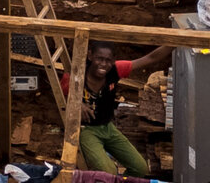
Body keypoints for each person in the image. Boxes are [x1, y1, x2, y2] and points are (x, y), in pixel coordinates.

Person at [62, 39, 171, 175]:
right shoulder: (77, 74)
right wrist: (78, 104)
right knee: (109, 171)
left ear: (114, 60)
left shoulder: (115, 70)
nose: (103, 64)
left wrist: (175, 42)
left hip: (108, 128)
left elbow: (150, 57)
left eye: (108, 60)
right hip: (86, 131)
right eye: (99, 59)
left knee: (141, 168)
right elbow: (62, 95)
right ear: (90, 56)